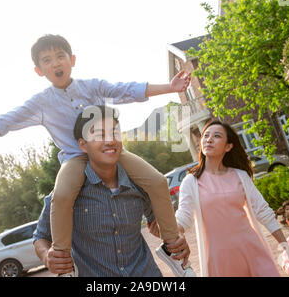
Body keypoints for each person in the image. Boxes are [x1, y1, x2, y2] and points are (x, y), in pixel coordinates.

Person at [0, 34, 191, 276]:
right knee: (62, 195)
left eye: (60, 56)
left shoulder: (92, 86)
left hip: (111, 150)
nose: (55, 63)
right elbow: (6, 120)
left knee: (157, 180)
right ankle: (64, 262)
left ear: (72, 60)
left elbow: (126, 90)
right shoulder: (41, 102)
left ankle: (172, 245)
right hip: (75, 158)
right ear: (39, 70)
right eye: (47, 60)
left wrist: (170, 87)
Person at [33, 105, 194, 276]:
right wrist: (46, 256)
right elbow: (41, 237)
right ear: (83, 144)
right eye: (99, 135)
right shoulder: (67, 194)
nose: (109, 140)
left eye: (114, 133)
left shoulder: (141, 184)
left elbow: (155, 224)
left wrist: (175, 240)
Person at [149, 120, 289, 276]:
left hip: (252, 250)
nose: (209, 139)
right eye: (206, 136)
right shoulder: (191, 182)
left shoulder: (240, 176)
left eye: (216, 136)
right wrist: (168, 229)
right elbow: (184, 217)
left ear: (228, 146)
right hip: (219, 259)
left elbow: (263, 212)